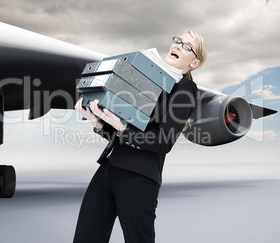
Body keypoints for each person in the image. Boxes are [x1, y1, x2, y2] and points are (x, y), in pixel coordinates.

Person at [73, 30, 208, 243]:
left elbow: (164, 142)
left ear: (195, 63)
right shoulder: (147, 79)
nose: (178, 46)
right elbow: (120, 132)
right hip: (109, 167)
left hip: (139, 177)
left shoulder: (185, 89)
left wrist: (122, 128)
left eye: (187, 46)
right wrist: (96, 121)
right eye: (177, 41)